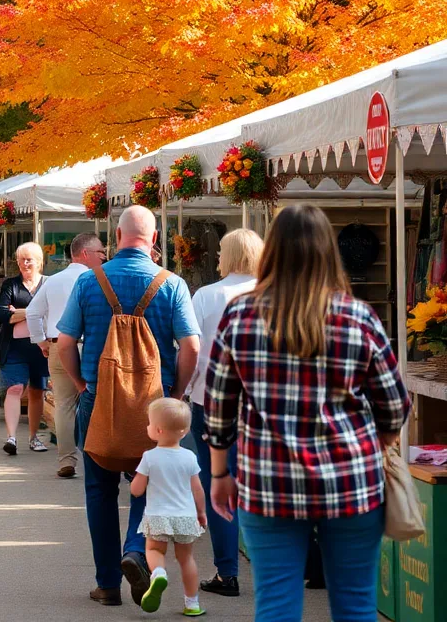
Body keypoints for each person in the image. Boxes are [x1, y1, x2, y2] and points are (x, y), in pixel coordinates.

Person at [205, 205, 410, 622]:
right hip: (351, 481)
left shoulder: (240, 316)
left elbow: (219, 406)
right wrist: (377, 443)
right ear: (327, 251)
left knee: (276, 605)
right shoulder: (358, 317)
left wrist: (220, 474)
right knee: (355, 605)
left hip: (268, 481)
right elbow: (395, 405)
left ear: (273, 250)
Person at [55, 205, 201, 608]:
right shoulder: (171, 284)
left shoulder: (89, 282)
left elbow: (64, 342)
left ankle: (106, 584)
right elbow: (191, 345)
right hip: (156, 406)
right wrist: (177, 392)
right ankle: (136, 550)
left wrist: (83, 383)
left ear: (117, 236)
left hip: (99, 398)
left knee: (99, 491)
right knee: (149, 485)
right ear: (153, 240)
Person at [186, 228, 263, 598]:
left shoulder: (206, 296)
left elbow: (193, 349)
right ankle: (304, 562)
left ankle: (227, 572)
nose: (216, 258)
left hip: (213, 400)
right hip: (267, 404)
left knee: (220, 482)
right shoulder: (276, 293)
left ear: (229, 256)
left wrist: (185, 391)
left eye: (220, 252)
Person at [26, 232, 106, 478]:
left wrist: (41, 341)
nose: (104, 257)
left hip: (58, 345)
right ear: (85, 254)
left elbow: (31, 312)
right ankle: (98, 458)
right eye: (100, 253)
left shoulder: (54, 281)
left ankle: (66, 459)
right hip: (91, 347)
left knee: (64, 405)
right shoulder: (98, 279)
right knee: (99, 403)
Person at [130, 398, 207, 617]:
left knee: (154, 550)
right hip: (185, 516)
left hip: (158, 516)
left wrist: (136, 480)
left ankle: (159, 573)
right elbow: (198, 489)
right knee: (186, 560)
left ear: (158, 430)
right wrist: (201, 513)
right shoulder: (189, 456)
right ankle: (192, 604)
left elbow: (136, 489)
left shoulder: (149, 457)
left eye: (149, 424)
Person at [0, 242, 48, 456]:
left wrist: (20, 312)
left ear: (39, 261)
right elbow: (2, 314)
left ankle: (33, 437)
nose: (25, 263)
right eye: (21, 259)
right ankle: (11, 437)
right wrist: (34, 312)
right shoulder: (11, 285)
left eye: (29, 259)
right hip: (15, 347)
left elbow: (53, 312)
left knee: (37, 392)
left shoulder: (48, 284)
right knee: (15, 388)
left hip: (41, 347)